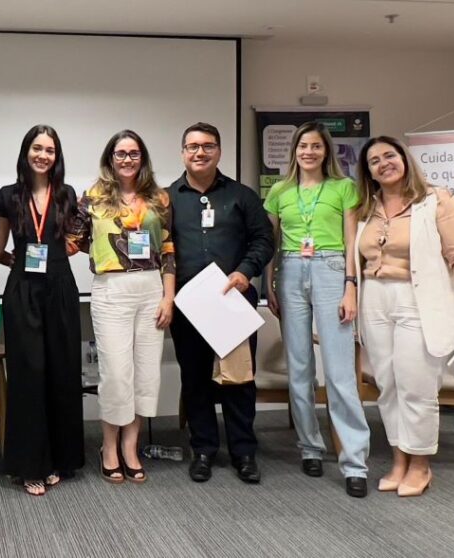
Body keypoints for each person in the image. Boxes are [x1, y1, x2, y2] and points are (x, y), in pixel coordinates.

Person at [354, 136, 454, 497]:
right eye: (374, 160)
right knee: (388, 386)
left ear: (404, 159)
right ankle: (399, 459)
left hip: (416, 300)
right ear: (368, 172)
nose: (383, 163)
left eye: (390, 155)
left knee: (416, 386)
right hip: (375, 301)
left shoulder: (437, 201)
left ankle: (420, 465)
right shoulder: (365, 208)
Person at [263, 122, 371, 498]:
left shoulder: (344, 188)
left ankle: (355, 461)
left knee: (340, 373)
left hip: (331, 269)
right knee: (299, 368)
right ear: (294, 151)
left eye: (316, 146)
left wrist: (350, 287)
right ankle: (310, 446)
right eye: (303, 146)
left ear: (327, 152)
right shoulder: (279, 191)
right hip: (290, 272)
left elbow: (351, 242)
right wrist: (269, 285)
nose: (309, 152)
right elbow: (270, 242)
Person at [66, 129, 175, 484]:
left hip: (151, 289)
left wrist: (168, 296)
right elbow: (73, 239)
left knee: (146, 372)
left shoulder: (159, 198)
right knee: (115, 373)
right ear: (110, 158)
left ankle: (131, 445)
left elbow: (169, 249)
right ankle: (109, 446)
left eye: (133, 153)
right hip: (111, 291)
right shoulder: (93, 197)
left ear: (142, 158)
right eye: (120, 153)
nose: (127, 159)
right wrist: (105, 253)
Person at [168, 122, 274, 485]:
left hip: (233, 303)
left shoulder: (242, 196)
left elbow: (264, 240)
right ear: (183, 152)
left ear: (219, 151)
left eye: (208, 146)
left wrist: (246, 271)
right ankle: (203, 450)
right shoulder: (168, 198)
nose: (200, 152)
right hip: (189, 306)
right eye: (193, 146)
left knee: (239, 380)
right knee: (195, 379)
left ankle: (244, 451)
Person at [0, 125, 83, 496]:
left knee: (62, 371)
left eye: (50, 149)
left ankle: (61, 458)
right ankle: (30, 465)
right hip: (24, 290)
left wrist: (64, 253)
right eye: (37, 148)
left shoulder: (67, 194)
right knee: (28, 374)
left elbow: (76, 238)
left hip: (61, 287)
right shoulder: (9, 195)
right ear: (25, 151)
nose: (43, 155)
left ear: (56, 156)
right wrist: (17, 261)